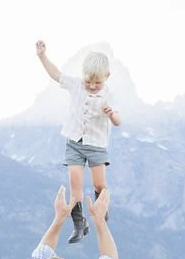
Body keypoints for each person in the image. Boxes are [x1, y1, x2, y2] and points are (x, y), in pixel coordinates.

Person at [35, 40, 122, 244]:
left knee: (99, 183)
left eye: (96, 83)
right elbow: (56, 74)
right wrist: (42, 56)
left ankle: (102, 210)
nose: (91, 86)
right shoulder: (76, 85)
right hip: (74, 141)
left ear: (106, 77)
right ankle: (79, 223)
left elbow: (118, 121)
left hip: (97, 145)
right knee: (75, 181)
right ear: (83, 76)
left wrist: (111, 115)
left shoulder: (109, 95)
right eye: (88, 82)